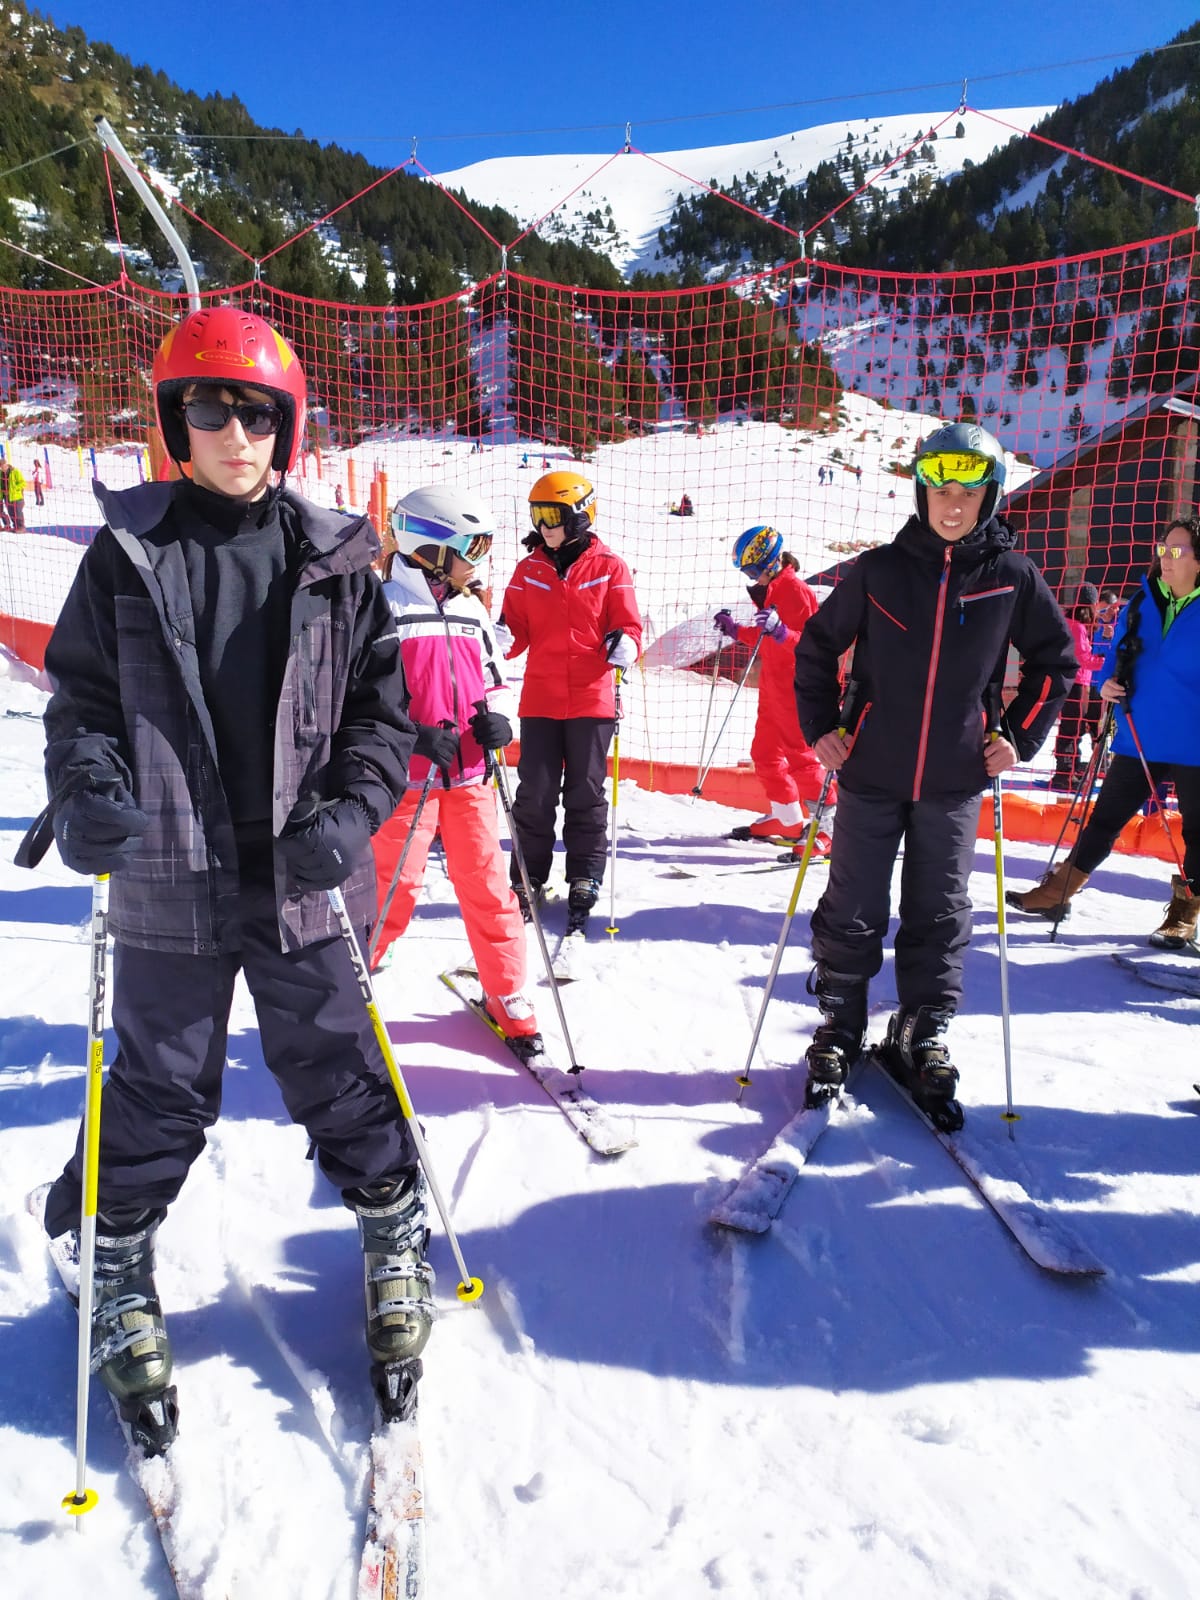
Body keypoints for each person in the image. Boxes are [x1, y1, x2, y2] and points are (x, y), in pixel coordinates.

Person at [20, 305, 430, 1446]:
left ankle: (394, 1231)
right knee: (161, 1084)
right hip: (171, 873)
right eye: (210, 410)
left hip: (305, 872)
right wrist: (90, 789)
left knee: (338, 1066)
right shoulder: (125, 555)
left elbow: (381, 720)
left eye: (256, 413)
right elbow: (82, 707)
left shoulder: (339, 559)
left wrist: (352, 816)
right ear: (175, 422)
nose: (235, 434)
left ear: (285, 426)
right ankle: (114, 1255)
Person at [793, 421, 1075, 1128]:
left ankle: (921, 1029)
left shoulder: (1012, 576)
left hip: (955, 775)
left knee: (940, 910)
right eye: (941, 491)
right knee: (853, 903)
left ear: (990, 497)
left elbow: (1055, 662)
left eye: (968, 493)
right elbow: (817, 646)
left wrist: (1018, 737)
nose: (953, 505)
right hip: (870, 769)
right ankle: (840, 1022)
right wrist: (821, 726)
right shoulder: (879, 571)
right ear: (922, 494)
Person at [370, 485, 544, 1054]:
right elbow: (360, 697)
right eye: (473, 547)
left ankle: (508, 991)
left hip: (470, 778)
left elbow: (492, 681)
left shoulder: (471, 610)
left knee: (490, 887)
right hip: (404, 782)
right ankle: (351, 985)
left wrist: (498, 722)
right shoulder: (383, 606)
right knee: (392, 886)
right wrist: (411, 734)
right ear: (431, 547)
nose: (480, 560)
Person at [1007, 516, 1200, 952]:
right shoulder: (1142, 602)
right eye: (1163, 549)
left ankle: (1184, 914)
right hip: (1139, 735)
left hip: (1194, 743)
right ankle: (1057, 894)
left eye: (1177, 551)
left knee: (1198, 833)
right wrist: (1106, 683)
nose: (1165, 559)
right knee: (1104, 820)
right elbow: (1111, 657)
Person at [499, 469, 642, 935]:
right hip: (540, 698)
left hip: (591, 699)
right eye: (537, 515)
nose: (543, 526)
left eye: (552, 515)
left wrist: (626, 643)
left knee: (585, 791)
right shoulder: (528, 570)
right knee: (535, 794)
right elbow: (514, 630)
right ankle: (527, 876)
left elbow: (628, 625)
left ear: (580, 515)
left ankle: (584, 874)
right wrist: (496, 639)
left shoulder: (610, 567)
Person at [714, 532, 827, 848]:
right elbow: (766, 638)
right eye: (747, 573)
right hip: (773, 688)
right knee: (764, 755)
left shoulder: (796, 591)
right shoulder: (773, 591)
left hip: (796, 688)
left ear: (773, 562)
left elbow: (814, 647)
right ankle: (788, 819)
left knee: (801, 759)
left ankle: (831, 824)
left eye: (754, 571)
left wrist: (782, 632)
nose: (753, 579)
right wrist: (735, 630)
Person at [1050, 582, 1106, 791]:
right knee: (1071, 728)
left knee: (1075, 727)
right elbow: (1084, 659)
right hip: (1075, 682)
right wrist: (1107, 661)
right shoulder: (1077, 627)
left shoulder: (1068, 622)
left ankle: (1071, 767)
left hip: (1071, 681)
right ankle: (1064, 774)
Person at [0, 460, 25, 530]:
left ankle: (21, 527)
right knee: (11, 513)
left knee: (17, 512)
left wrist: (13, 489)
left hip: (16, 496)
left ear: (7, 464)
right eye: (1, 467)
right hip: (6, 496)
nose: (3, 468)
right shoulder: (1, 473)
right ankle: (15, 526)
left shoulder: (15, 471)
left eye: (4, 466)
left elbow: (23, 483)